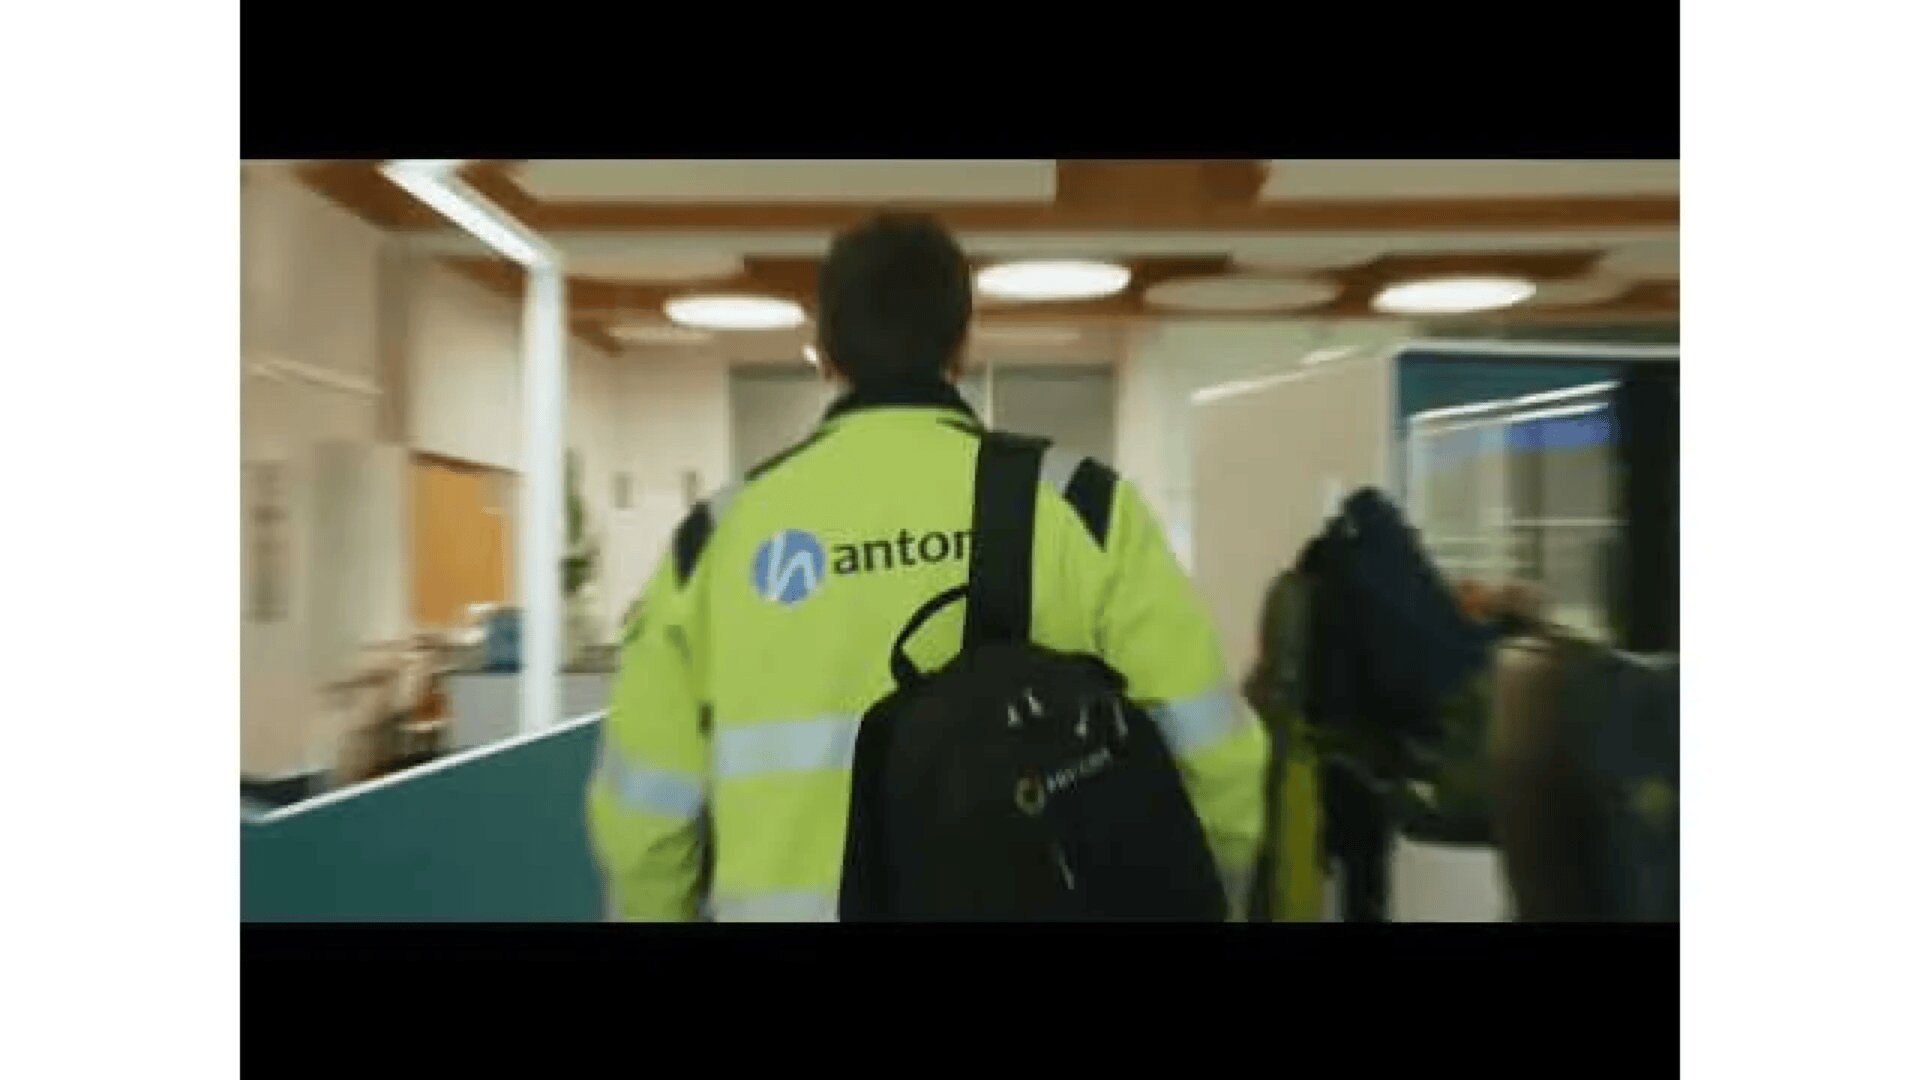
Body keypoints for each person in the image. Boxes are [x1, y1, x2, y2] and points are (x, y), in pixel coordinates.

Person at [586, 212, 1270, 921]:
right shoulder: (1084, 510)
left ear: (824, 353)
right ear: (962, 346)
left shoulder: (716, 540)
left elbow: (641, 825)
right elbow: (1218, 762)